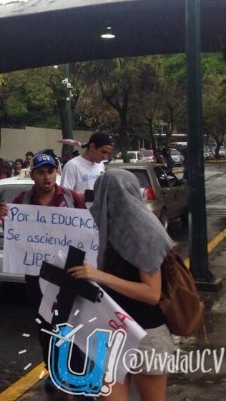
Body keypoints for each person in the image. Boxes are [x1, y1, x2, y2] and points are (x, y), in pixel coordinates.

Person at [68, 169, 174, 401]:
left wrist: (100, 276)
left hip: (146, 333)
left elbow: (152, 294)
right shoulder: (96, 226)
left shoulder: (146, 231)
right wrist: (11, 219)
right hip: (109, 330)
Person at [0, 152, 87, 394]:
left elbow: (86, 233)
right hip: (36, 274)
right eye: (41, 172)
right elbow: (14, 235)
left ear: (56, 172)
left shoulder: (71, 198)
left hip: (67, 274)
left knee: (72, 321)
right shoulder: (21, 200)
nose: (46, 177)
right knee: (45, 322)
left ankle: (76, 371)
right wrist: (5, 217)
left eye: (50, 171)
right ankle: (53, 370)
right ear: (33, 174)